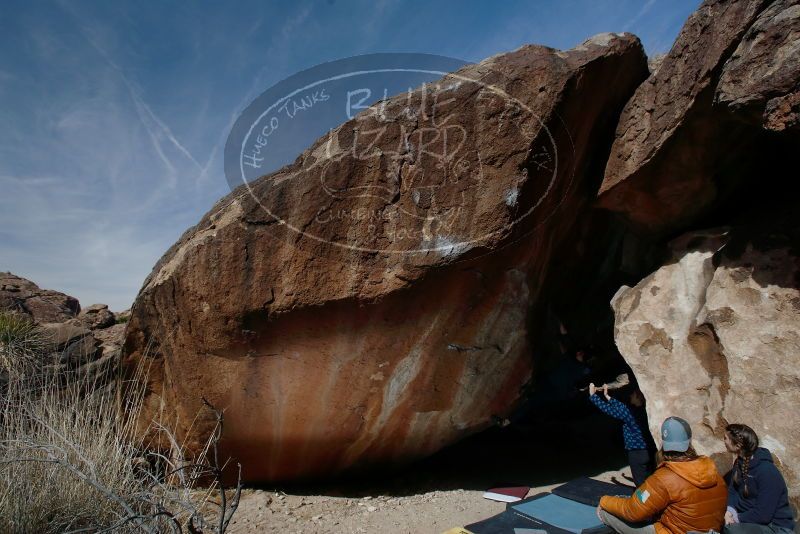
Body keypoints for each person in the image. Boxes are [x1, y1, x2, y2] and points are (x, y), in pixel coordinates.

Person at [597, 416, 727, 534]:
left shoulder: (664, 477)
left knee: (609, 513)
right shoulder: (713, 471)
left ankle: (603, 514)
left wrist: (604, 501)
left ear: (664, 444)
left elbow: (633, 511)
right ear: (689, 441)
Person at [722, 423, 795, 534]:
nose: (724, 441)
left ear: (738, 445)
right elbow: (733, 491)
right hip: (749, 519)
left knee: (731, 530)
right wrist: (729, 511)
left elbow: (763, 515)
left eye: (725, 438)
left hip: (775, 527)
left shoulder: (767, 472)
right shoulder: (739, 463)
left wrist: (736, 518)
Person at [588, 382, 655, 486]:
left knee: (640, 483)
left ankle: (643, 501)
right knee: (650, 480)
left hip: (636, 453)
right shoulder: (645, 410)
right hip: (648, 451)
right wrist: (607, 396)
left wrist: (593, 396)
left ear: (638, 398)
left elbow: (608, 410)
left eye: (633, 394)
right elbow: (622, 407)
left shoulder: (630, 413)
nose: (630, 395)